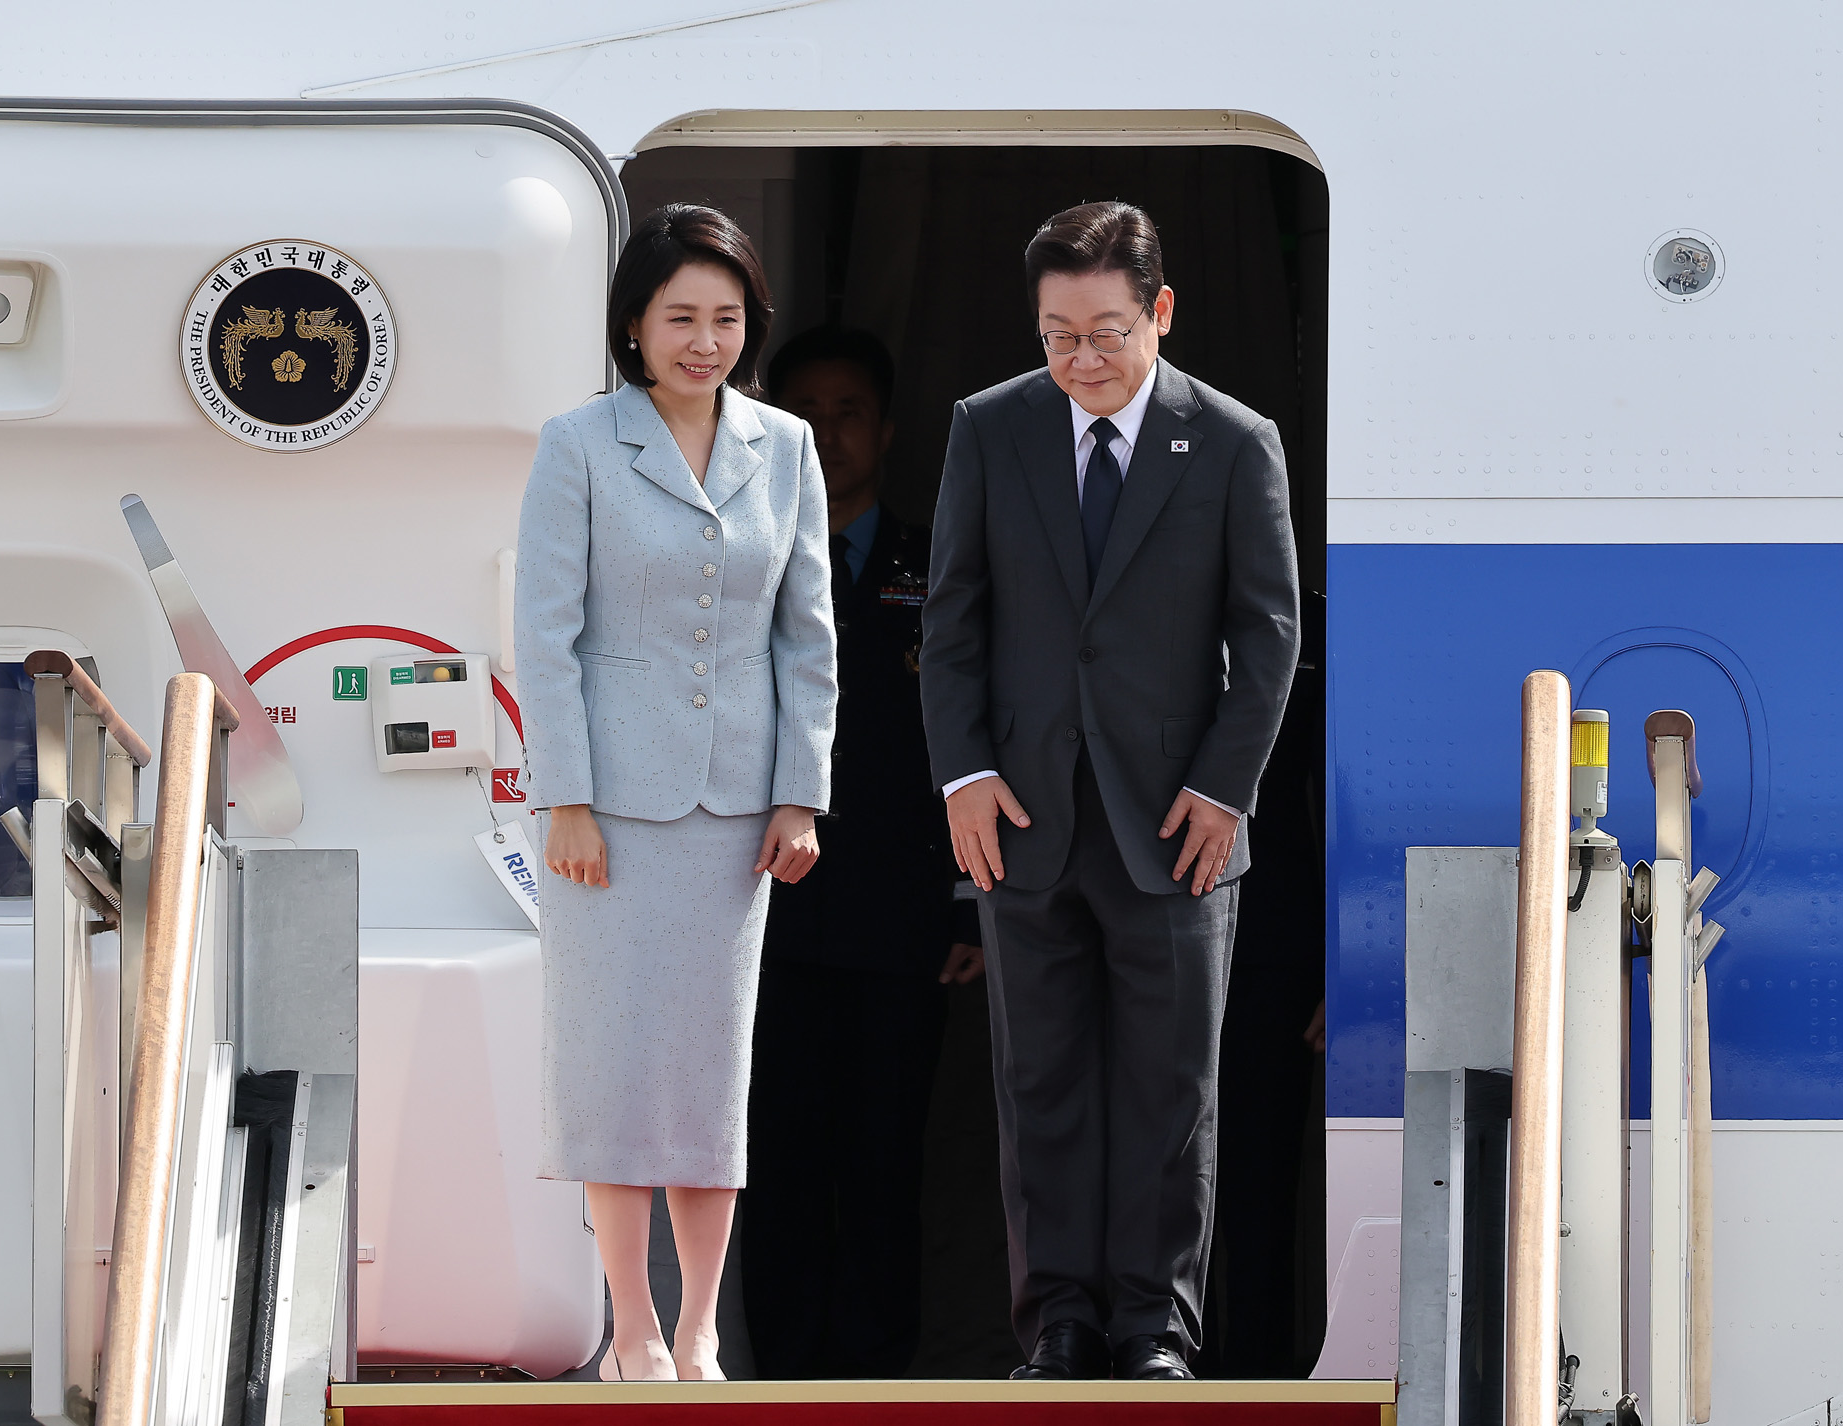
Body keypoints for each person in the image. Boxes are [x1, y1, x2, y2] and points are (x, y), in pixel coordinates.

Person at [919, 201, 1300, 1382]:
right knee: (1038, 1087)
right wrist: (962, 775)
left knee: (1169, 1093)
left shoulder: (1232, 440)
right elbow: (951, 622)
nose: (1080, 359)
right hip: (1021, 818)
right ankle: (1058, 1324)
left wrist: (1224, 790)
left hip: (1178, 825)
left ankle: (1153, 1329)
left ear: (1160, 313)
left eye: (1105, 333)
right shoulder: (990, 427)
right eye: (1057, 336)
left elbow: (1269, 633)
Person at [516, 203, 836, 1383]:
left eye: (726, 318)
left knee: (708, 1073)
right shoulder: (577, 443)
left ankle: (696, 1328)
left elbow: (807, 635)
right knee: (611, 1066)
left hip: (734, 812)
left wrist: (800, 792)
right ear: (634, 327)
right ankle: (631, 1328)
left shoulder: (785, 446)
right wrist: (566, 797)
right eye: (680, 318)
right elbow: (544, 635)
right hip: (603, 812)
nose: (705, 341)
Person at [740, 326, 984, 1379]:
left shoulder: (943, 566)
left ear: (885, 431)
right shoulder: (739, 562)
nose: (830, 433)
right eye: (807, 414)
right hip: (765, 920)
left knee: (884, 1166)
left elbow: (980, 742)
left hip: (902, 924)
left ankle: (876, 1380)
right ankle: (784, 1382)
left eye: (849, 412)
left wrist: (969, 901)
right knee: (777, 1164)